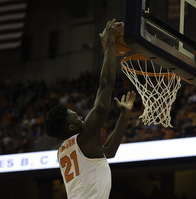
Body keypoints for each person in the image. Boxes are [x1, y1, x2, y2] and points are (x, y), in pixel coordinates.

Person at [44, 19, 136, 199]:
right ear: (71, 128)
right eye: (76, 117)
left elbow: (108, 152)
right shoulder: (83, 139)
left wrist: (124, 115)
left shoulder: (64, 150)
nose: (80, 117)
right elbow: (106, 86)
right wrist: (110, 42)